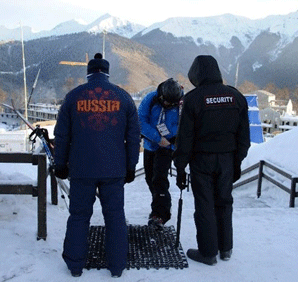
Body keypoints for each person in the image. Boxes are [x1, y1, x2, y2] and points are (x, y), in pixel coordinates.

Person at [53, 53, 141, 278]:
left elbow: (62, 135)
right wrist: (131, 166)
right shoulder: (123, 97)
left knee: (79, 216)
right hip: (114, 168)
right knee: (115, 216)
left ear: (89, 73)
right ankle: (117, 266)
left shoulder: (73, 97)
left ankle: (74, 265)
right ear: (107, 73)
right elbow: (133, 137)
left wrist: (60, 163)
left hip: (81, 168)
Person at [173, 55, 250, 265]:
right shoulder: (236, 97)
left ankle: (208, 252)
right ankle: (226, 248)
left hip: (202, 160)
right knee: (224, 202)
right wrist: (237, 160)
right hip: (227, 158)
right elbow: (244, 137)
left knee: (205, 204)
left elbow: (185, 139)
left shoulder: (193, 99)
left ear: (196, 74)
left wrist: (180, 168)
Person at [138, 78, 183, 229]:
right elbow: (140, 121)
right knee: (150, 178)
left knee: (159, 179)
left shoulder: (182, 103)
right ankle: (157, 207)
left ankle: (161, 214)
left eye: (172, 104)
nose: (169, 105)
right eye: (167, 103)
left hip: (168, 146)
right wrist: (157, 138)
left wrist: (173, 142)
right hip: (152, 144)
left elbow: (187, 124)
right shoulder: (150, 99)